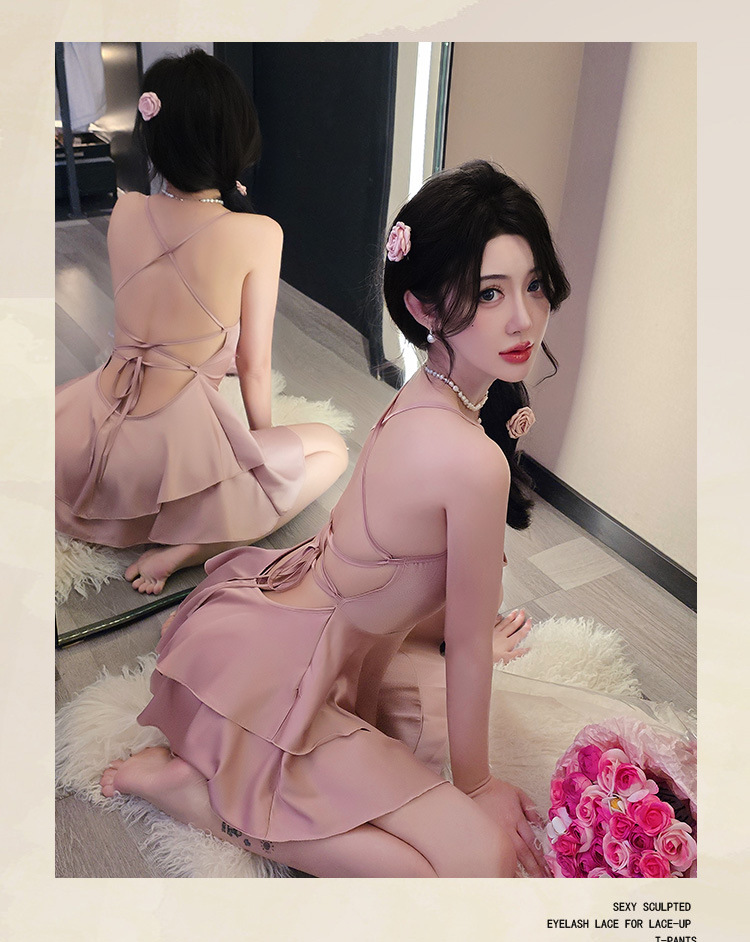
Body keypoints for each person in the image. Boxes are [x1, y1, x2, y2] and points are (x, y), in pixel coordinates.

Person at [99, 160, 570, 877]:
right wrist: (477, 787)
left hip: (301, 643)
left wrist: (463, 637)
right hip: (288, 678)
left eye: (533, 286)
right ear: (423, 308)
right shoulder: (471, 457)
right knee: (476, 863)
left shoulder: (433, 393)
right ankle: (194, 797)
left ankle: (218, 781)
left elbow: (399, 574)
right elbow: (460, 637)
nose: (523, 319)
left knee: (463, 837)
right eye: (488, 293)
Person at [55, 49, 348, 594]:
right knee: (331, 448)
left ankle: (168, 524)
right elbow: (252, 365)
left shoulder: (125, 210)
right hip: (175, 446)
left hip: (94, 430)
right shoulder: (259, 233)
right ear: (236, 137)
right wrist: (258, 456)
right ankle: (193, 548)